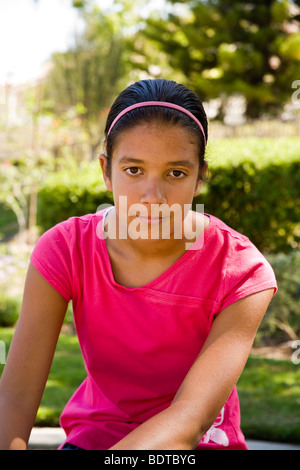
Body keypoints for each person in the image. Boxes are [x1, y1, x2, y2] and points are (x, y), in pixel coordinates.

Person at [0, 79, 277, 450]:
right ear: (106, 170)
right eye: (133, 170)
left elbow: (190, 419)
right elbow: (14, 398)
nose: (153, 197)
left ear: (199, 178)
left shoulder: (242, 271)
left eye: (176, 173)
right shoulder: (65, 249)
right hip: (95, 439)